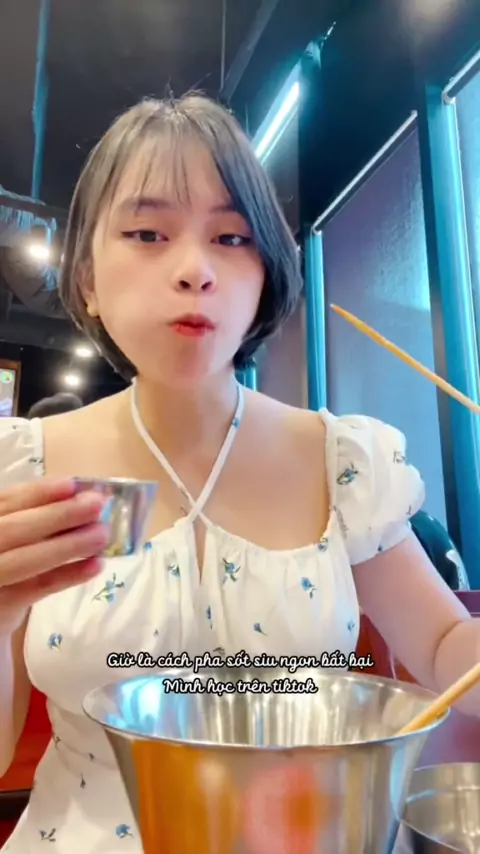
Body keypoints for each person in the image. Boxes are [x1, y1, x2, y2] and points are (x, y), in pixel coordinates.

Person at [0, 93, 478, 853]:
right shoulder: (27, 467)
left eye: (231, 237)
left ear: (265, 274)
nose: (195, 270)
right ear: (86, 274)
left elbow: (446, 643)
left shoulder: (338, 464)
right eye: (148, 233)